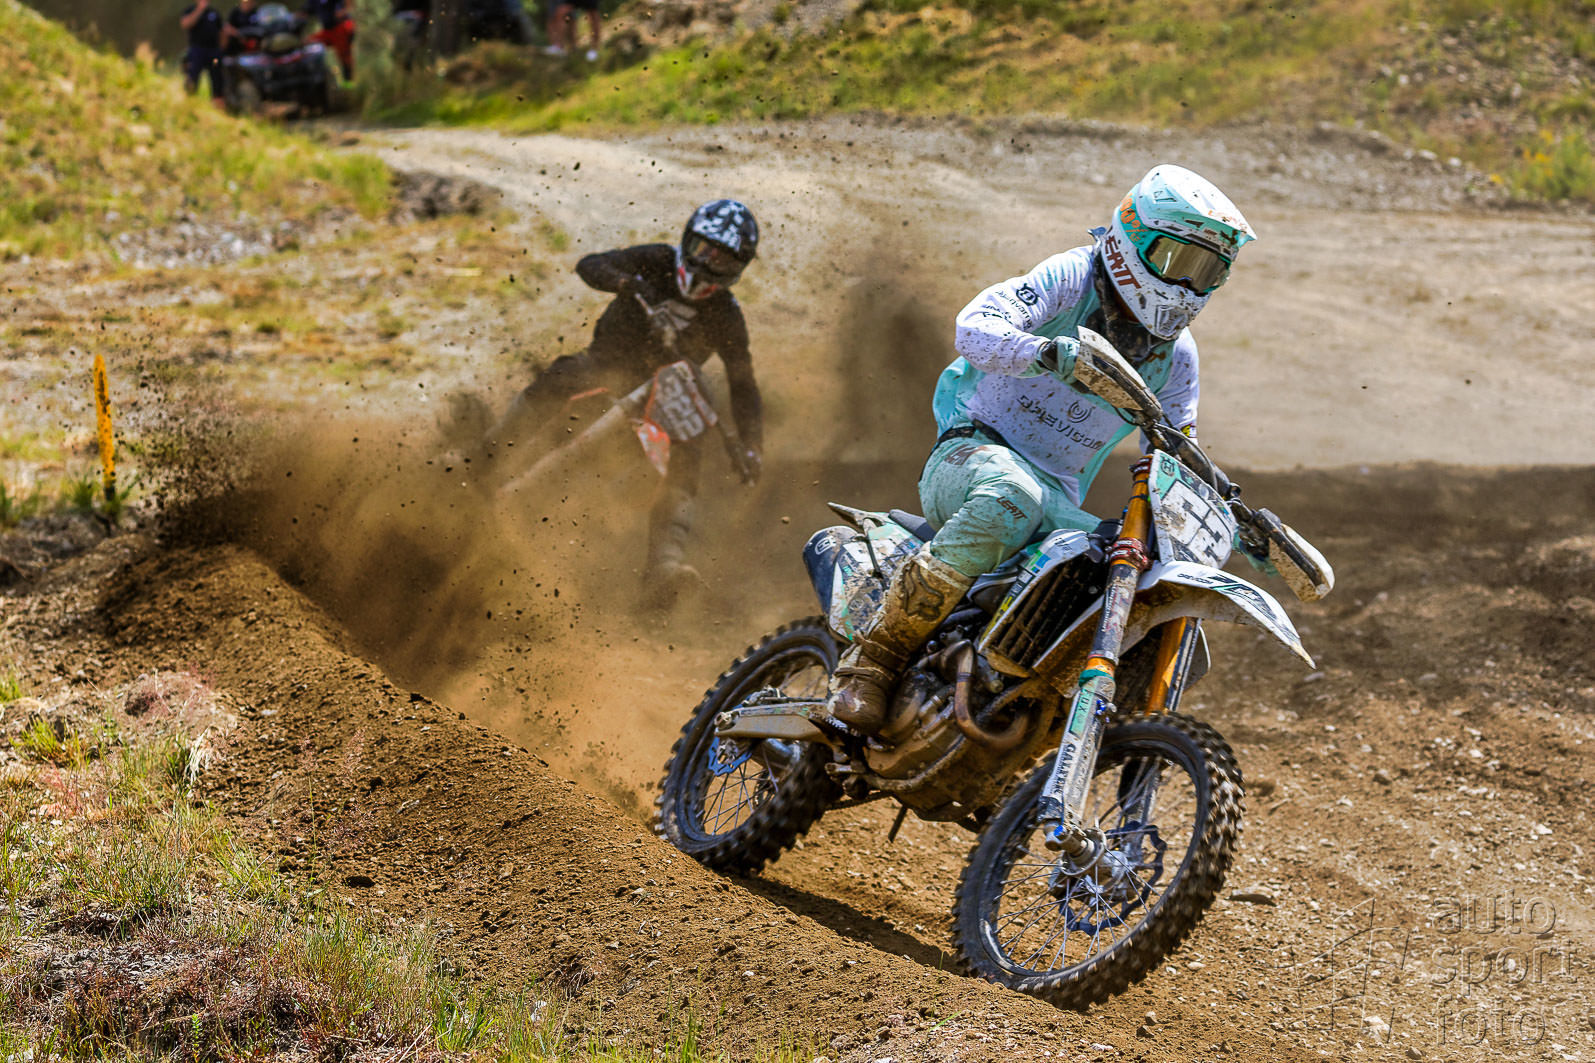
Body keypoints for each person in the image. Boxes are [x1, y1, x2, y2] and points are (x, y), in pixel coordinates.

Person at [826, 164, 1257, 734]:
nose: (1186, 287)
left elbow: (1180, 451)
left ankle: (1048, 732)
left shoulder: (1176, 357)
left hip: (1055, 499)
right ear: (1132, 239)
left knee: (1134, 576)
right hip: (970, 452)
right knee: (1013, 496)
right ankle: (874, 659)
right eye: (1177, 261)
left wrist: (1237, 515)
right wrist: (1045, 352)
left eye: (1206, 272)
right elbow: (974, 326)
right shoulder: (1072, 278)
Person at [473, 199, 764, 606]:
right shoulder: (656, 261)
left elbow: (743, 383)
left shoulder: (726, 314)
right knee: (563, 374)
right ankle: (484, 457)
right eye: (704, 250)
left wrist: (751, 445)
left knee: (689, 445)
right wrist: (627, 283)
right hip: (605, 367)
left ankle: (664, 568)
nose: (708, 265)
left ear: (738, 268)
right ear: (687, 241)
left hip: (657, 403)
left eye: (723, 260)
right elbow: (590, 264)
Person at [179, 0, 228, 111]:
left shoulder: (214, 13)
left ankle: (219, 107)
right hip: (197, 50)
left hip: (214, 51)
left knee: (217, 79)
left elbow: (222, 32)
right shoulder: (190, 10)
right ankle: (189, 106)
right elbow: (185, 24)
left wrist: (221, 50)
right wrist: (199, 10)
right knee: (192, 77)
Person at [303, 0, 356, 81]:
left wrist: (344, 11)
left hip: (340, 28)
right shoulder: (313, 2)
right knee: (307, 43)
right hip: (327, 31)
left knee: (344, 57)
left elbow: (349, 4)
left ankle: (348, 82)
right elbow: (305, 11)